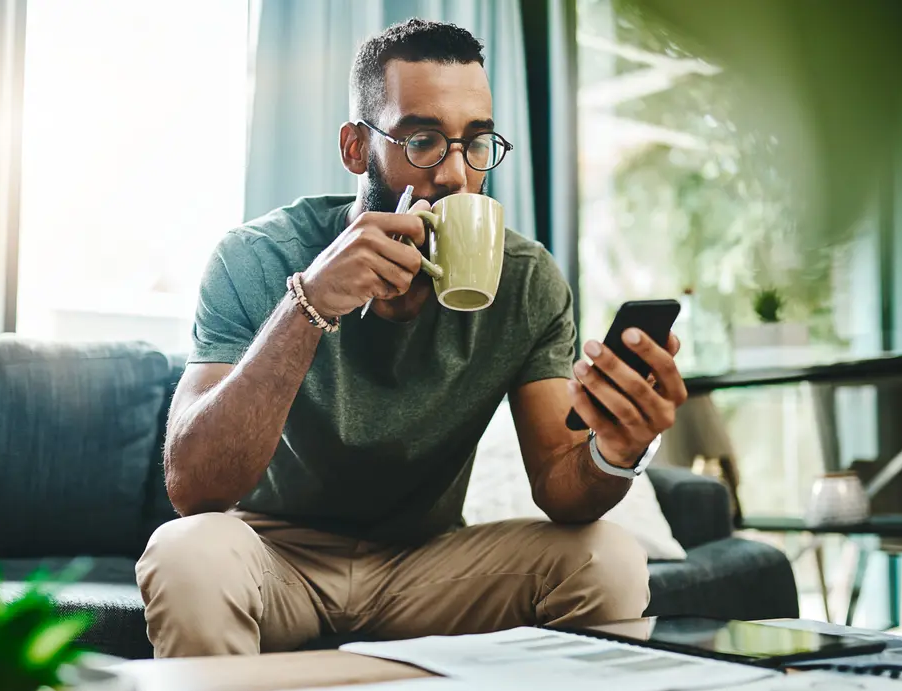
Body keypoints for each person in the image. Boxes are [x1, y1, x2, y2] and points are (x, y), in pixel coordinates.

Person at [135, 18, 687, 657]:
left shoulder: (526, 281)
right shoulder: (255, 258)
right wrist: (307, 305)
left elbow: (562, 491)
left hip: (428, 567)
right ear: (354, 148)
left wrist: (617, 449)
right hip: (273, 556)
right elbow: (193, 488)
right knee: (186, 554)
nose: (455, 175)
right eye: (423, 140)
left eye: (476, 142)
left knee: (607, 558)